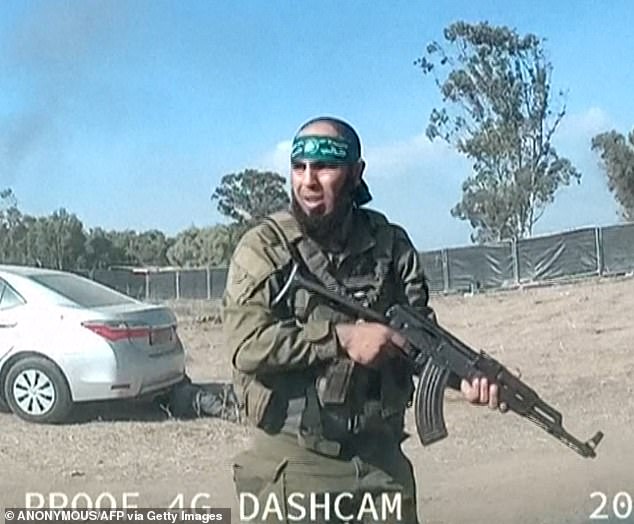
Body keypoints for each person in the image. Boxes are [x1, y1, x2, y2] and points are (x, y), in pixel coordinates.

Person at [222, 116, 502, 524]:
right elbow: (247, 347)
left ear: (356, 173)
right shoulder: (264, 248)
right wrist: (341, 339)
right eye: (299, 167)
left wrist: (466, 378)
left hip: (380, 462)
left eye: (325, 167)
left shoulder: (390, 244)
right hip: (295, 464)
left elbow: (419, 343)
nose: (308, 181)